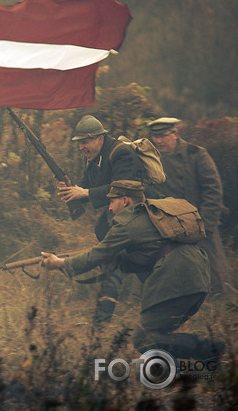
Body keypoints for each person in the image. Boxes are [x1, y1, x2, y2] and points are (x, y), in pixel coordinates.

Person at [42, 181, 224, 360]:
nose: (110, 208)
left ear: (126, 200)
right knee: (157, 335)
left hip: (177, 280)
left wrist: (59, 263)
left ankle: (211, 350)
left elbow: (96, 255)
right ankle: (193, 367)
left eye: (112, 202)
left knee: (144, 339)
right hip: (197, 276)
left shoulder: (126, 225)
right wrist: (115, 260)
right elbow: (147, 256)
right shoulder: (150, 216)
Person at [56, 115, 143, 323]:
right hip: (120, 213)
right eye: (79, 143)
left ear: (99, 139)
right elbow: (87, 186)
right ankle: (110, 306)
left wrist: (84, 192)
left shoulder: (121, 152)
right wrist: (70, 190)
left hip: (140, 212)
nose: (81, 147)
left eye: (84, 142)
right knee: (112, 250)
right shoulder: (95, 158)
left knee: (120, 256)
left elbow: (122, 188)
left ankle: (105, 316)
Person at [148, 117, 233, 296]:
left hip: (199, 223)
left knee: (215, 282)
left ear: (175, 134)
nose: (158, 141)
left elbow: (213, 191)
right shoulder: (153, 159)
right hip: (168, 225)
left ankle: (219, 305)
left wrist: (206, 226)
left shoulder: (196, 154)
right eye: (155, 136)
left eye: (163, 135)